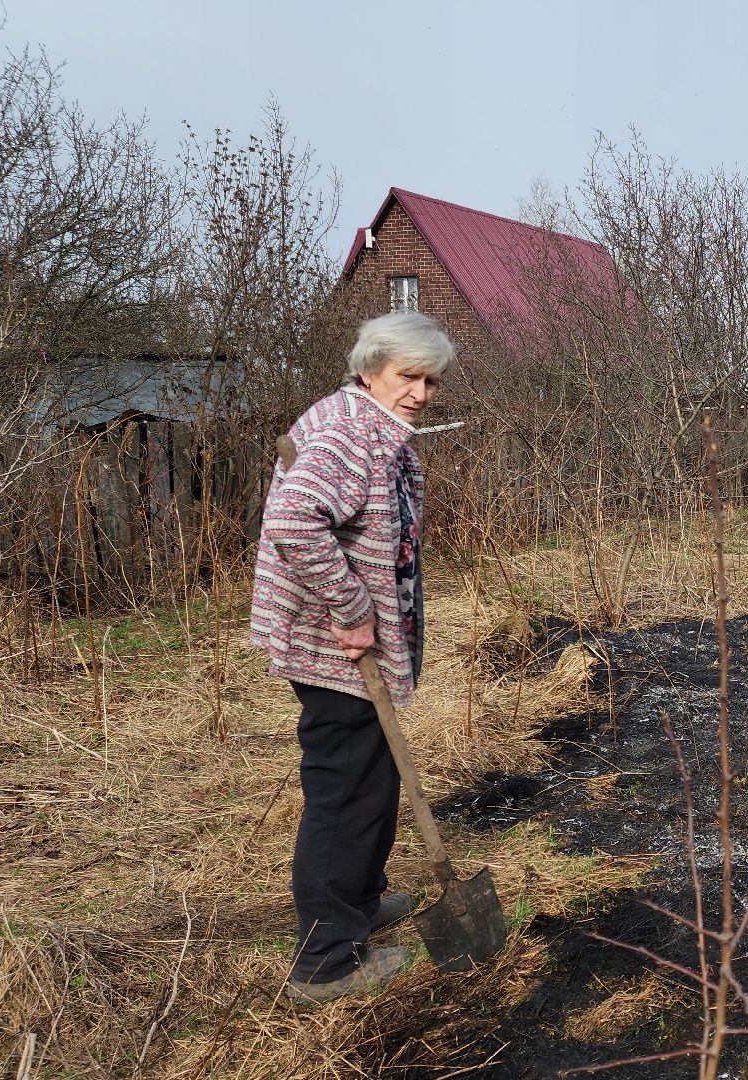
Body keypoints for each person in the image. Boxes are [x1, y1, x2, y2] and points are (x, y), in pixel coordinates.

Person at [250, 311, 455, 1003]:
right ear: (370, 370)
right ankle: (326, 962)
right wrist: (352, 609)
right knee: (344, 794)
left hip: (351, 649)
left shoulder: (373, 427)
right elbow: (291, 521)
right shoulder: (346, 433)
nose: (422, 392)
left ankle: (359, 902)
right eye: (409, 376)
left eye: (431, 380)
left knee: (373, 780)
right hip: (335, 650)